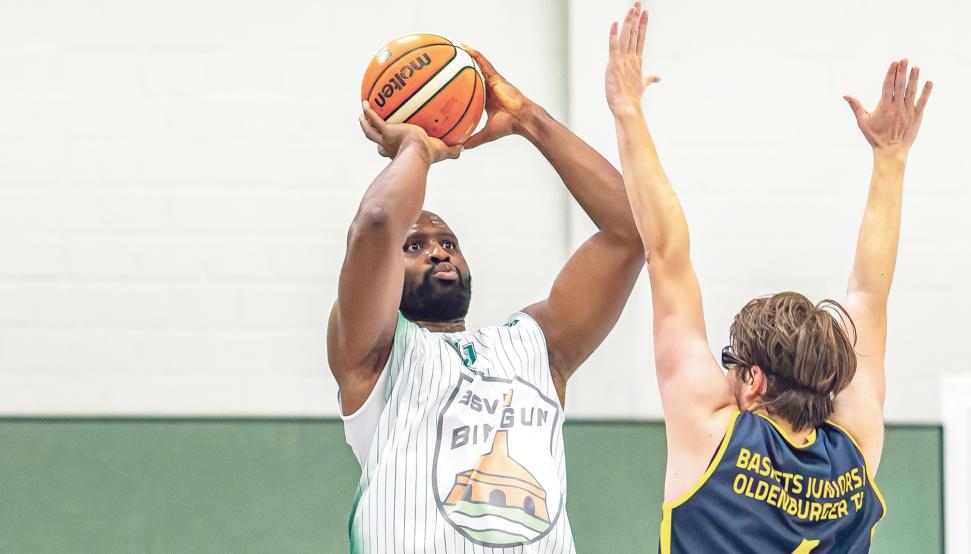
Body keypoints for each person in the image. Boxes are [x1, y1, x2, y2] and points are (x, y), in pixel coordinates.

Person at [604, 3, 932, 552]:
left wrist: (626, 110)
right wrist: (892, 157)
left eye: (731, 363)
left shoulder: (711, 434)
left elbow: (666, 253)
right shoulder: (856, 447)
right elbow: (869, 295)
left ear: (753, 381)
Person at [328, 46, 644, 551]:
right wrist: (417, 148)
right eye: (417, 246)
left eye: (448, 243)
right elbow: (377, 222)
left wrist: (527, 119)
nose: (437, 252)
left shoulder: (533, 347)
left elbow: (631, 232)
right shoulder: (372, 355)